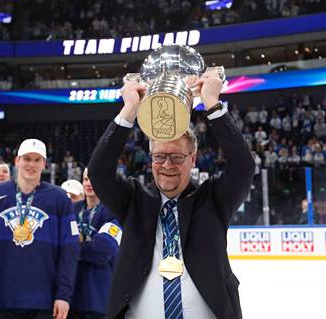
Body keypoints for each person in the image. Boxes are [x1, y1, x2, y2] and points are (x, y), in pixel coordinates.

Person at [87, 72, 255, 319]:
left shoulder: (214, 200)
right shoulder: (134, 200)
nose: (167, 165)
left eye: (177, 157)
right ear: (150, 159)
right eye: (159, 156)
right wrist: (130, 109)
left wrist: (211, 103)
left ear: (193, 159)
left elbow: (243, 167)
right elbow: (98, 172)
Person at [0, 138, 80, 319]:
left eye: (37, 160)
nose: (31, 164)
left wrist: (63, 295)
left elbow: (69, 250)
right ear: (17, 161)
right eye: (27, 158)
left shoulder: (59, 198)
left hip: (43, 300)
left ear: (44, 164)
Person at [69, 168, 122, 319]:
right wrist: (89, 245)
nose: (89, 183)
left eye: (93, 179)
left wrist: (72, 248)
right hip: (71, 297)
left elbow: (103, 251)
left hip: (99, 297)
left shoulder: (114, 212)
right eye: (86, 179)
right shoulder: (72, 209)